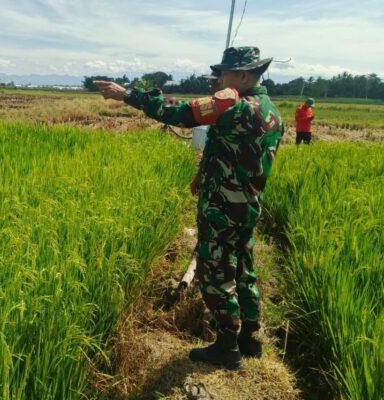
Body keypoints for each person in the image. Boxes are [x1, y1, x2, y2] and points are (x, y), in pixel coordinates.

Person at [94, 46, 284, 370]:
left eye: (224, 73)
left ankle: (227, 346)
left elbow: (180, 114)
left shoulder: (234, 104)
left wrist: (128, 95)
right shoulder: (271, 111)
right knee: (243, 267)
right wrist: (202, 173)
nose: (219, 79)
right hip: (249, 204)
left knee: (216, 271)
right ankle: (250, 340)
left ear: (242, 75)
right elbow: (231, 148)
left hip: (223, 206)